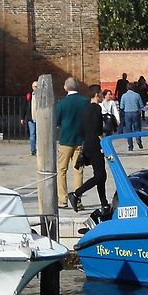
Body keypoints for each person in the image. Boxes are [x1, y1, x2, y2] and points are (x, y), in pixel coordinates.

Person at [69, 85, 107, 212]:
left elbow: (81, 129)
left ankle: (104, 202)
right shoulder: (96, 108)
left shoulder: (85, 109)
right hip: (96, 144)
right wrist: (104, 141)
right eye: (101, 93)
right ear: (97, 95)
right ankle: (76, 194)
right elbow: (98, 128)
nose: (102, 96)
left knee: (101, 174)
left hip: (87, 144)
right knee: (100, 175)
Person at [55, 77, 85, 207]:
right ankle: (77, 199)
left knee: (62, 170)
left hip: (65, 140)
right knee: (78, 170)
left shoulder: (62, 103)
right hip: (80, 139)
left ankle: (63, 199)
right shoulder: (85, 101)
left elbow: (56, 122)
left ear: (65, 88)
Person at [119, 82, 145, 150]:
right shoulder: (137, 95)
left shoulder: (124, 96)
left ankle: (130, 146)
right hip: (136, 113)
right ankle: (138, 139)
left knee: (128, 129)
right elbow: (141, 105)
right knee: (137, 128)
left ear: (127, 88)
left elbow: (121, 106)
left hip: (127, 113)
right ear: (134, 88)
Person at [20, 79, 38, 156]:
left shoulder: (42, 96)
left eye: (38, 86)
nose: (37, 88)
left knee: (40, 135)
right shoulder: (29, 95)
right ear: (32, 87)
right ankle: (33, 150)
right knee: (32, 134)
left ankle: (40, 149)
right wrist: (22, 117)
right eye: (35, 86)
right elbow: (24, 107)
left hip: (39, 119)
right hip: (31, 118)